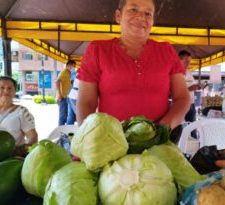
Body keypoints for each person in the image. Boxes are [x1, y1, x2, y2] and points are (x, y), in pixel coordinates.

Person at [76, 0, 190, 130]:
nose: (141, 17)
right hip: (111, 142)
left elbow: (182, 98)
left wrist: (160, 132)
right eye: (133, 10)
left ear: (152, 21)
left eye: (148, 13)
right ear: (118, 16)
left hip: (159, 145)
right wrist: (87, 139)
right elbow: (87, 103)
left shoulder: (166, 51)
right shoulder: (97, 50)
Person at [0, 76, 38, 152]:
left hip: (11, 158)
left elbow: (32, 136)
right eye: (2, 88)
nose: (6, 91)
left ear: (14, 92)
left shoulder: (21, 112)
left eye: (10, 88)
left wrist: (20, 151)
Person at [179, 50, 201, 124]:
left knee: (192, 127)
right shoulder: (175, 72)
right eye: (185, 61)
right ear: (179, 59)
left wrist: (196, 86)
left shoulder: (188, 72)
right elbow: (172, 91)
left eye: (189, 61)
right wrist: (189, 89)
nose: (188, 63)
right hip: (180, 104)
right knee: (180, 128)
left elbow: (191, 84)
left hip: (191, 103)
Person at [56, 60, 76, 126]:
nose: (73, 68)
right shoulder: (64, 72)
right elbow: (57, 82)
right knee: (62, 117)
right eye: (72, 66)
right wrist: (59, 94)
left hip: (67, 97)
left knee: (67, 115)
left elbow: (68, 82)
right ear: (68, 65)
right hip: (62, 97)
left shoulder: (69, 73)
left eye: (74, 66)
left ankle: (64, 130)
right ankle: (60, 132)